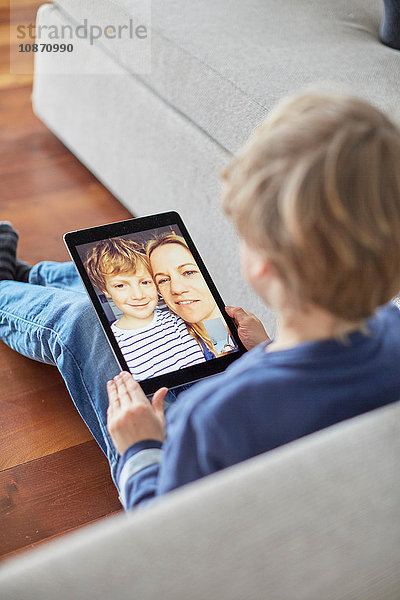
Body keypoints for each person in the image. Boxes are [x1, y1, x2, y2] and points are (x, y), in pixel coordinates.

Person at [105, 89, 400, 510]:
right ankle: (31, 275)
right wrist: (263, 351)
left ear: (261, 264)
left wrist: (140, 449)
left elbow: (163, 531)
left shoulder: (211, 416)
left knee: (83, 324)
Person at [84, 237, 207, 381]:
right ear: (105, 290)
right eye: (120, 285)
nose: (138, 295)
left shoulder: (177, 320)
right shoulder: (111, 341)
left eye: (145, 282)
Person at [146, 233, 236, 356]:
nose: (176, 288)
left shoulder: (234, 332)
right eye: (163, 280)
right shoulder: (176, 346)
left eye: (188, 272)